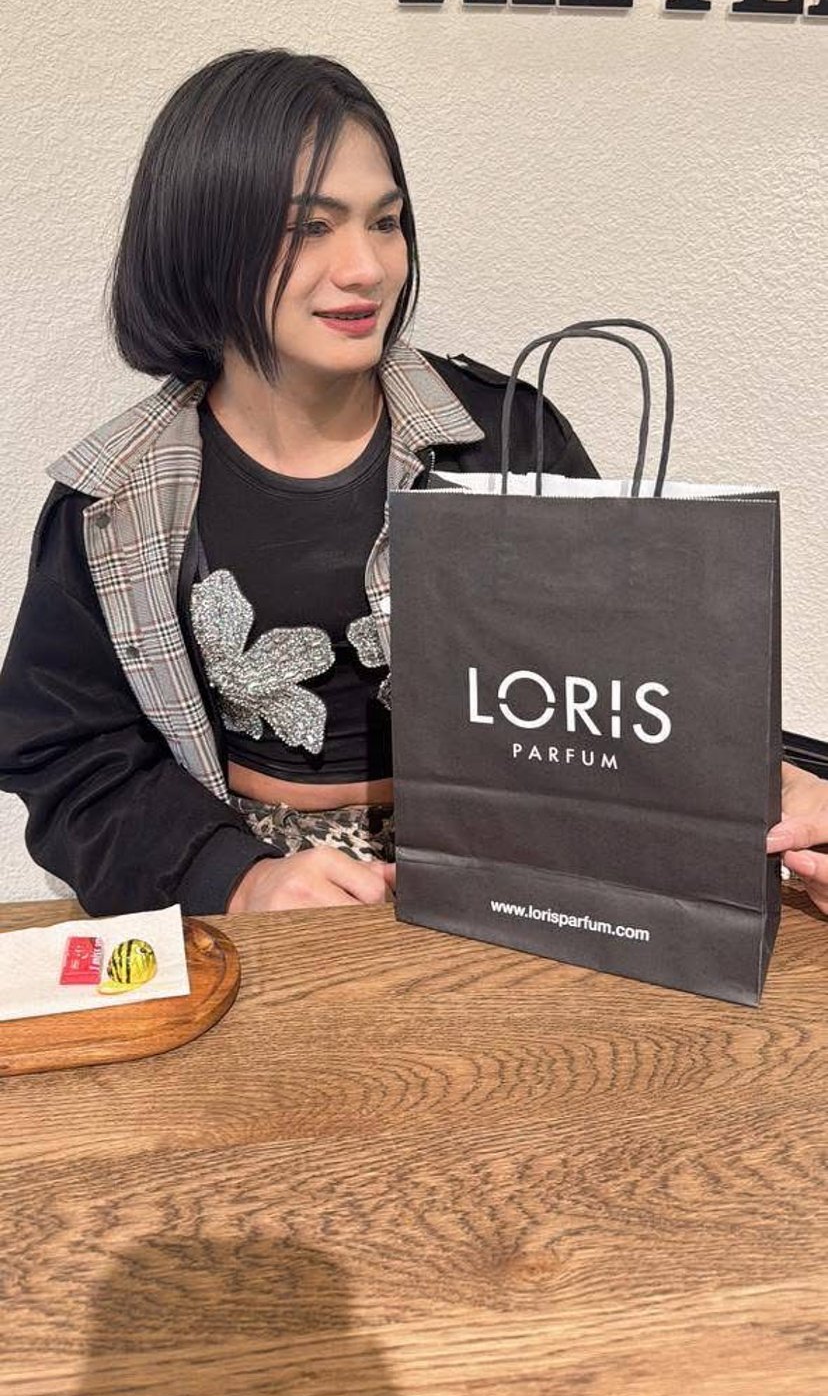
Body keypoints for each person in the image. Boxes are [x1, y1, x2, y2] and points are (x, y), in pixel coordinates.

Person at [0, 49, 825, 918]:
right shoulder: (112, 503)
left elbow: (640, 691)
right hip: (266, 910)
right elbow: (68, 752)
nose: (366, 267)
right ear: (200, 242)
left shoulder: (507, 440)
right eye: (309, 228)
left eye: (385, 221)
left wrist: (782, 794)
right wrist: (233, 877)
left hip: (518, 885)